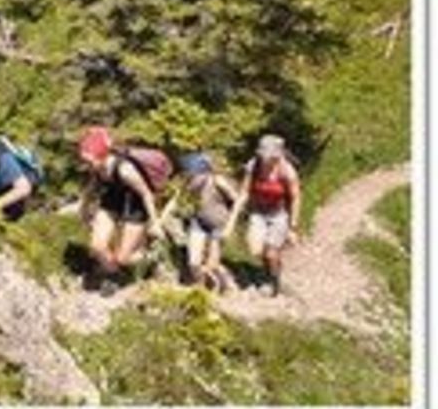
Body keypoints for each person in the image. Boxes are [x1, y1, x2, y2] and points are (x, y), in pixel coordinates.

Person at [77, 126, 166, 297]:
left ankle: (150, 256)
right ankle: (113, 275)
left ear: (102, 155)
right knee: (96, 246)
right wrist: (84, 207)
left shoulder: (125, 170)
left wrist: (155, 223)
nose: (86, 164)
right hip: (112, 199)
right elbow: (91, 187)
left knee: (123, 258)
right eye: (84, 159)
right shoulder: (96, 167)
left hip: (135, 203)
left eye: (89, 160)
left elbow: (146, 194)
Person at [221, 134, 302, 297]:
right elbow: (244, 193)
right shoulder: (253, 166)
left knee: (271, 252)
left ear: (277, 155)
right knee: (255, 249)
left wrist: (293, 227)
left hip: (279, 214)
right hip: (257, 212)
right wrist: (231, 221)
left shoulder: (287, 171)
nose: (265, 159)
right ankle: (268, 268)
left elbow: (295, 198)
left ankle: (273, 280)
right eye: (263, 155)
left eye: (269, 156)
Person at [176, 152, 239, 292]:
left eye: (192, 175)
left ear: (204, 172)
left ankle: (227, 283)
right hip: (199, 222)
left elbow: (238, 201)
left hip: (220, 225)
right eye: (187, 175)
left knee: (211, 264)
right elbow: (176, 200)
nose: (190, 179)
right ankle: (201, 289)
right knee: (193, 263)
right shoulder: (189, 183)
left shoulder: (218, 181)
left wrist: (231, 224)